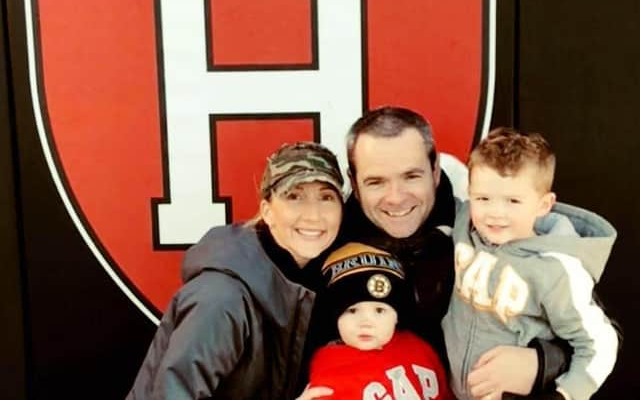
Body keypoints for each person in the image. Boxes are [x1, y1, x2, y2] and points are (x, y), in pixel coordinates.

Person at [319, 106, 570, 400]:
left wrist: (542, 362)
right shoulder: (329, 243)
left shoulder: (487, 223)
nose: (396, 197)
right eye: (376, 182)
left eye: (411, 176)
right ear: (355, 182)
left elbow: (594, 332)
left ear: (435, 170)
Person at [127, 142, 344, 400]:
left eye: (326, 197)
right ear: (267, 211)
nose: (313, 215)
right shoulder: (222, 297)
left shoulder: (323, 281)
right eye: (294, 196)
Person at [442, 128, 618, 400]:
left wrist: (565, 394)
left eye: (513, 201)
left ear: (544, 205)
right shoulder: (465, 221)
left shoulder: (556, 269)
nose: (495, 212)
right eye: (483, 198)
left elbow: (600, 343)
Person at [307, 242, 454, 400]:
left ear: (397, 316)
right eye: (352, 310)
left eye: (379, 310)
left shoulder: (420, 349)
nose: (365, 323)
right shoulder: (329, 365)